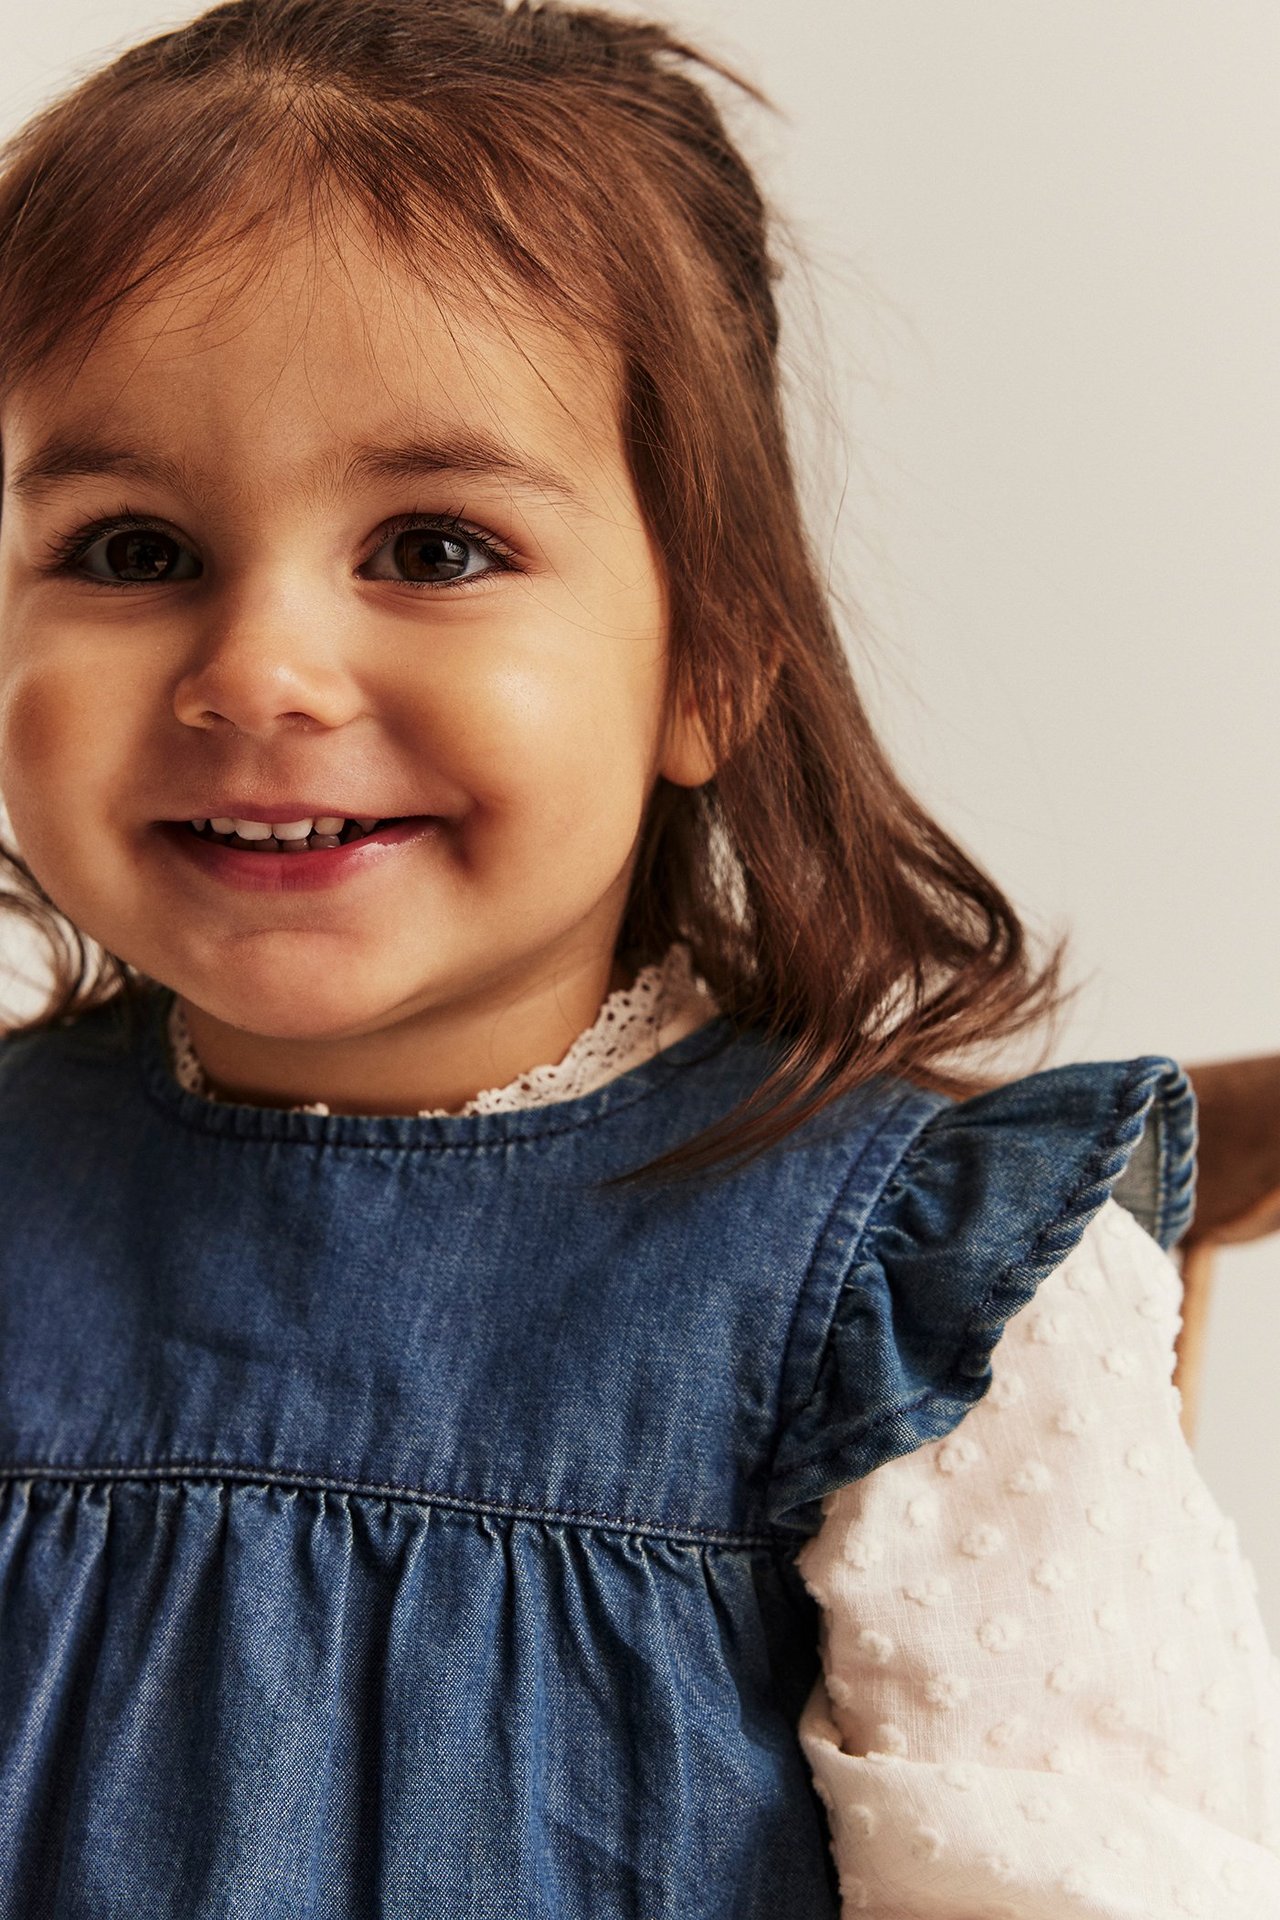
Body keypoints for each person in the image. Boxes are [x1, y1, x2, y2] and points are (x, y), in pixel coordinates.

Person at [0, 2, 1274, 1914]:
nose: (257, 669)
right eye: (126, 550)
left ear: (710, 661)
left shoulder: (931, 1318)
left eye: (432, 548)